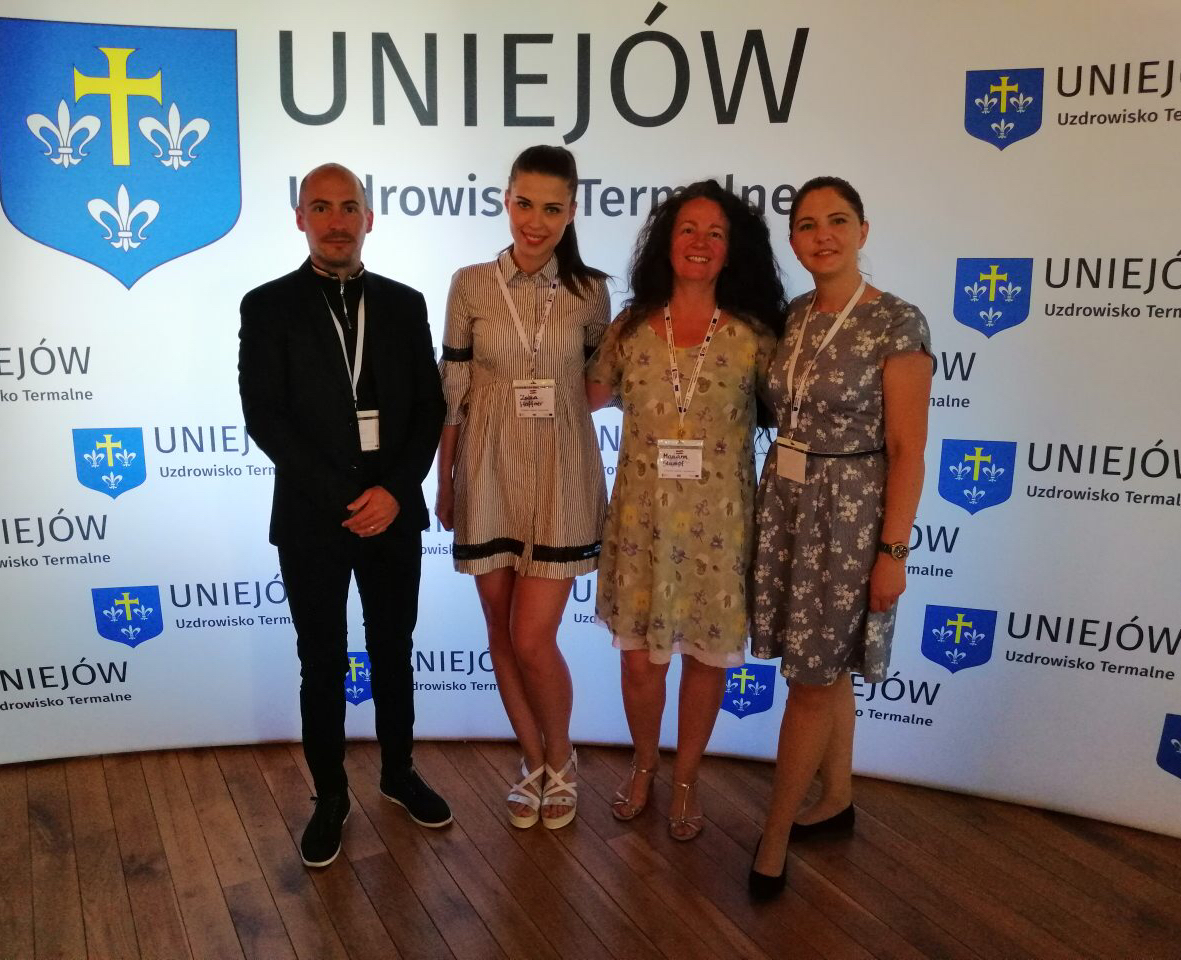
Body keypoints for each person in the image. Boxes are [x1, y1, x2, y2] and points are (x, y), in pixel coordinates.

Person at [238, 162, 452, 870]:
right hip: (313, 518)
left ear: (369, 218)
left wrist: (393, 490)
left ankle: (398, 773)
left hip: (393, 511)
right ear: (300, 218)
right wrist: (343, 499)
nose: (337, 221)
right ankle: (329, 796)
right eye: (322, 207)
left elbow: (429, 408)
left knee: (394, 648)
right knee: (322, 660)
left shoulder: (404, 304)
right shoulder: (267, 306)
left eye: (349, 207)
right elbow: (266, 418)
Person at [747, 176, 931, 899]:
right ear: (793, 239)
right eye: (807, 224)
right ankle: (837, 798)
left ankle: (773, 836)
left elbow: (908, 450)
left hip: (850, 518)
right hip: (788, 504)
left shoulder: (897, 322)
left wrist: (893, 552)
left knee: (811, 681)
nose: (821, 235)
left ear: (863, 230)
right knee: (828, 669)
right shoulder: (793, 316)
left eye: (837, 220)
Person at [587, 180, 784, 841]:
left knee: (705, 661)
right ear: (665, 243)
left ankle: (687, 778)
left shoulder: (755, 338)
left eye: (715, 233)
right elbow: (579, 398)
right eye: (688, 230)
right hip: (641, 529)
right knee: (639, 664)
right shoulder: (629, 328)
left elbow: (800, 413)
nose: (700, 243)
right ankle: (645, 766)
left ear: (732, 250)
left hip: (719, 532)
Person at [437, 145, 609, 829]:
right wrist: (445, 478)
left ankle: (562, 756)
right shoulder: (470, 284)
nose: (535, 221)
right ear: (506, 200)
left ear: (572, 212)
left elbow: (599, 386)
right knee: (500, 630)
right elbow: (454, 392)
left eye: (552, 208)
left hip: (562, 480)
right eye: (525, 203)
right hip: (486, 474)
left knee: (533, 636)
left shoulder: (591, 292)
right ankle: (532, 760)